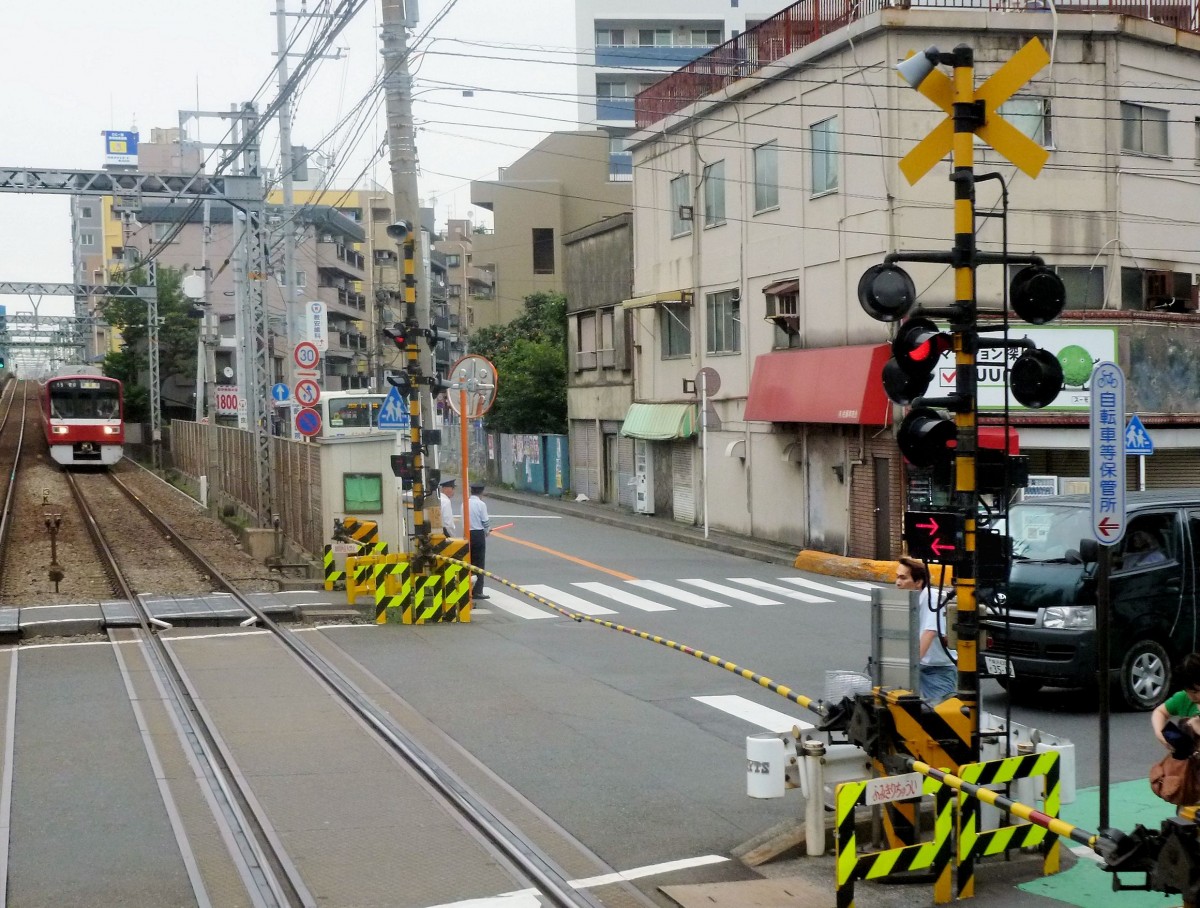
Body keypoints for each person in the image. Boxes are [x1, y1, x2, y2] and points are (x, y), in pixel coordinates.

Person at [895, 555, 957, 705]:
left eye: (903, 578)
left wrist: (909, 667)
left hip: (938, 670)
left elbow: (929, 632)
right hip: (920, 667)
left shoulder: (932, 599)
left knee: (938, 716)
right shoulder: (909, 600)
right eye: (897, 577)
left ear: (918, 582)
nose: (897, 583)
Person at [1152, 653, 1200, 756]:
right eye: (1188, 691)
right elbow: (1160, 712)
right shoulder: (1183, 698)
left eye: (1196, 692)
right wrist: (1160, 734)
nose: (1192, 697)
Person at [468, 482, 491, 599]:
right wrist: (487, 531)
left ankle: (468, 588)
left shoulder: (464, 503)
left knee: (469, 561)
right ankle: (477, 591)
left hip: (467, 534)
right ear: (481, 492)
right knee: (479, 563)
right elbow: (485, 521)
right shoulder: (481, 504)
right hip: (478, 534)